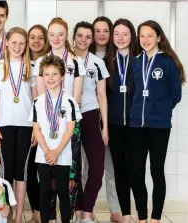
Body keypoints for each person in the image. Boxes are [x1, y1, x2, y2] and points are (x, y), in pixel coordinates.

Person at [129, 20, 184, 223]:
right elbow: (134, 91)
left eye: (149, 35)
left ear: (159, 37)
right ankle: (141, 217)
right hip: (137, 124)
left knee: (156, 170)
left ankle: (156, 218)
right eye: (142, 36)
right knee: (136, 171)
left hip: (159, 125)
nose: (145, 39)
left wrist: (160, 110)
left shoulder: (167, 62)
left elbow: (176, 94)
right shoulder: (135, 61)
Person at [32, 17, 85, 221]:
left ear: (66, 35)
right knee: (46, 181)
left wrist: (64, 110)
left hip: (68, 121)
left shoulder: (75, 61)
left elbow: (77, 97)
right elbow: (39, 95)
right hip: (46, 123)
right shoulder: (40, 61)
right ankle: (49, 217)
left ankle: (66, 216)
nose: (56, 38)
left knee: (67, 179)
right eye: (52, 34)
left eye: (60, 34)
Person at [0, 27, 35, 223]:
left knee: (22, 172)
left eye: (21, 43)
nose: (17, 47)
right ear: (6, 43)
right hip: (4, 125)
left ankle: (18, 216)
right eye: (14, 42)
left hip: (26, 125)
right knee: (5, 171)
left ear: (25, 45)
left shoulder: (31, 66)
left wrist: (37, 126)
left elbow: (36, 99)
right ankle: (2, 215)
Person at [73, 21, 111, 223]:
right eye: (80, 35)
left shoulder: (97, 62)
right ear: (74, 36)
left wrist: (104, 126)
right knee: (75, 168)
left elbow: (102, 95)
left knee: (96, 167)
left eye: (88, 37)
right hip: (69, 117)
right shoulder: (65, 59)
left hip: (90, 114)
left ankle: (87, 211)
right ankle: (78, 211)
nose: (84, 40)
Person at [104, 18, 139, 223]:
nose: (120, 38)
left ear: (131, 36)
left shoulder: (140, 60)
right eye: (116, 34)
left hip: (135, 124)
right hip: (115, 124)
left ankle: (138, 211)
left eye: (125, 34)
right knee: (118, 168)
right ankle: (125, 214)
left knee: (133, 169)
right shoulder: (107, 61)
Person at [89, 16, 122, 222]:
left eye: (105, 31)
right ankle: (86, 208)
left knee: (112, 167)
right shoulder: (83, 56)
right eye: (97, 30)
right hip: (90, 117)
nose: (101, 34)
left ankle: (116, 210)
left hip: (113, 118)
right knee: (88, 166)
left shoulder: (119, 56)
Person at [25, 24, 47, 223]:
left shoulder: (49, 63)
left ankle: (47, 212)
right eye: (32, 37)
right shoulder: (21, 62)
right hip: (28, 125)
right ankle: (36, 212)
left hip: (48, 123)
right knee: (31, 169)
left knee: (46, 170)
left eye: (41, 37)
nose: (36, 41)